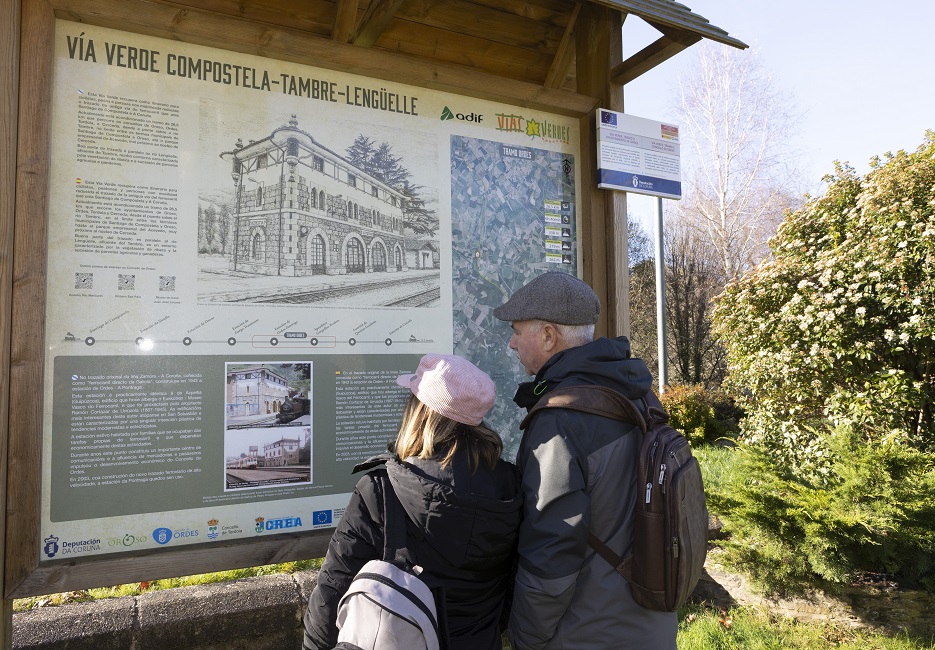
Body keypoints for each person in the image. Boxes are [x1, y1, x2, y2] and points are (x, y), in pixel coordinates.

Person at [493, 271, 677, 650]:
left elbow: (552, 550)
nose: (511, 344)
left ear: (547, 336)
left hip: (587, 632)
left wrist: (526, 637)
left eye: (516, 331)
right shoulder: (636, 395)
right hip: (652, 619)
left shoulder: (561, 419)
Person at [303, 353, 523, 650]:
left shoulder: (380, 491)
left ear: (420, 412)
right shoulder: (511, 485)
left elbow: (331, 595)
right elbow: (513, 582)